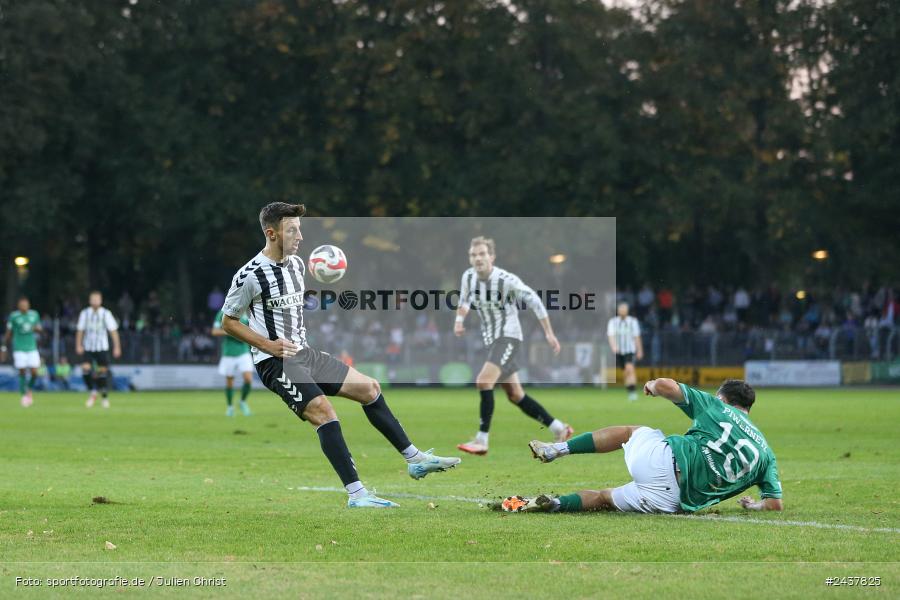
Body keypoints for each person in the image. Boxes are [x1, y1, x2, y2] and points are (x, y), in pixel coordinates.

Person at [220, 202, 460, 508]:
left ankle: (415, 459)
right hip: (275, 362)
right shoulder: (249, 275)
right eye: (292, 230)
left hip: (303, 354)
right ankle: (357, 495)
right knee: (324, 411)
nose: (300, 236)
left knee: (370, 388)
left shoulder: (296, 265)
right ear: (271, 233)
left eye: (300, 229)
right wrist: (267, 345)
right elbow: (229, 321)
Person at [501, 378, 783, 515]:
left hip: (661, 462)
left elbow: (668, 385)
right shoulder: (767, 454)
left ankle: (556, 450)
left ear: (722, 398)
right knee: (604, 498)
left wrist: (652, 385)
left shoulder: (716, 407)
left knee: (630, 432)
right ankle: (556, 504)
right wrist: (753, 506)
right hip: (673, 502)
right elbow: (774, 504)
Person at [454, 236, 573, 456]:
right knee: (515, 395)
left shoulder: (505, 280)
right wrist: (459, 320)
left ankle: (482, 440)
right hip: (492, 339)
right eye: (473, 254)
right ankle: (560, 428)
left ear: (492, 256)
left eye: (482, 254)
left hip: (509, 337)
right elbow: (464, 300)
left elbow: (534, 301)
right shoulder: (468, 277)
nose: (478, 258)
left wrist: (548, 332)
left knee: (483, 381)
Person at [75, 291, 122, 408]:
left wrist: (117, 347)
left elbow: (113, 331)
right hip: (88, 347)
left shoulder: (106, 313)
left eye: (97, 299)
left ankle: (104, 397)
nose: (95, 301)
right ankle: (93, 391)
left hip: (102, 347)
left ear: (100, 301)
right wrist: (78, 345)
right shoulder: (85, 313)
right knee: (85, 369)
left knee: (102, 372)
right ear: (90, 301)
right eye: (93, 299)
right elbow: (80, 330)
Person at [1, 297, 43, 407]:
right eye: (22, 304)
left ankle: (29, 389)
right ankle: (24, 395)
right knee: (22, 371)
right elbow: (8, 333)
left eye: (26, 304)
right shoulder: (14, 316)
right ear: (19, 306)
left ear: (28, 305)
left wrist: (37, 328)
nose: (24, 306)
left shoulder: (34, 314)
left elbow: (40, 328)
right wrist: (4, 348)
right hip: (19, 348)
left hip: (32, 347)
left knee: (34, 371)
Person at [212, 309, 253, 416]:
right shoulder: (222, 312)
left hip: (244, 351)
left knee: (248, 379)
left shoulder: (246, 312)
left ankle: (242, 402)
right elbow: (215, 331)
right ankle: (230, 407)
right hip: (228, 353)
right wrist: (231, 332)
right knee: (230, 382)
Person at [606, 302, 643, 401]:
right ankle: (630, 390)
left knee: (629, 368)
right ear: (618, 311)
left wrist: (639, 350)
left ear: (627, 311)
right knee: (626, 372)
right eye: (620, 309)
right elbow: (611, 335)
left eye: (624, 309)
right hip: (619, 351)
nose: (622, 311)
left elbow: (636, 337)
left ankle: (633, 392)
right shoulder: (613, 322)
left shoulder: (633, 321)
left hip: (630, 350)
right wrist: (613, 347)